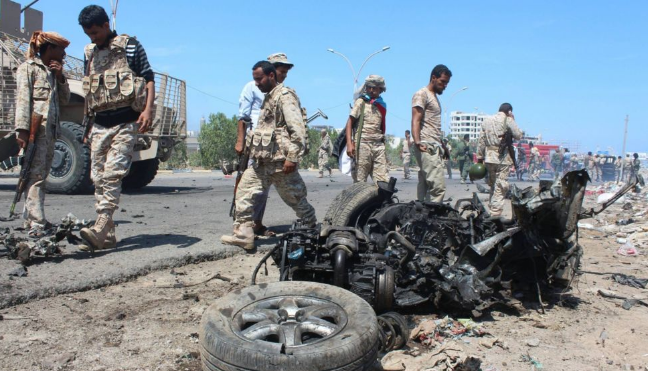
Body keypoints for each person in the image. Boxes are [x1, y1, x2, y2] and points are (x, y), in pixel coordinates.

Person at [77, 5, 155, 251]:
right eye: (88, 34)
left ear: (105, 25)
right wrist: (87, 124)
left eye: (95, 32)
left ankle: (100, 226)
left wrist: (147, 110)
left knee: (112, 174)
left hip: (125, 121)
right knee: (97, 178)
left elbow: (149, 77)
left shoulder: (130, 45)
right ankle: (108, 234)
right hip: (100, 122)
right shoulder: (89, 53)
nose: (93, 38)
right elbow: (91, 90)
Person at [221, 61, 316, 250]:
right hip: (262, 162)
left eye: (259, 79)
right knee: (243, 193)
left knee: (295, 199)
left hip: (281, 162)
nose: (256, 83)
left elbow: (297, 130)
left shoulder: (285, 97)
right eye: (254, 79)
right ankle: (244, 234)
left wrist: (292, 158)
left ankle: (314, 229)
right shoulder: (269, 97)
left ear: (271, 76)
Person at [14, 31, 70, 237]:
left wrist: (60, 77)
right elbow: (22, 101)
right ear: (50, 48)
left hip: (49, 132)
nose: (64, 54)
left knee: (41, 176)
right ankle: (37, 222)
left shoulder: (52, 72)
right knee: (35, 176)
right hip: (34, 133)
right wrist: (21, 130)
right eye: (61, 49)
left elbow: (64, 100)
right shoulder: (29, 69)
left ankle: (32, 218)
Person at [411, 64, 452, 202]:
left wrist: (443, 146)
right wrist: (417, 141)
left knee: (425, 185)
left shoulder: (433, 97)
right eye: (443, 82)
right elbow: (416, 119)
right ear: (433, 78)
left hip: (433, 144)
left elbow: (432, 124)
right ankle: (433, 219)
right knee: (437, 188)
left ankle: (421, 217)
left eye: (447, 83)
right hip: (426, 145)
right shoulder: (422, 94)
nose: (445, 85)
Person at [476, 103, 523, 217]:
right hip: (502, 159)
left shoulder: (486, 121)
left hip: (489, 157)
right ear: (509, 111)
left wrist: (480, 158)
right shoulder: (508, 120)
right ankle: (495, 214)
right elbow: (518, 135)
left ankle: (492, 208)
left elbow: (481, 141)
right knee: (500, 186)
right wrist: (513, 120)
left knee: (493, 184)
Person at [345, 75, 389, 183]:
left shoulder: (381, 105)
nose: (371, 90)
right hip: (362, 145)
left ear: (381, 89)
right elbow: (349, 123)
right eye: (369, 87)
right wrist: (350, 144)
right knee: (360, 182)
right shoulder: (361, 102)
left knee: (383, 182)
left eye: (374, 87)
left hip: (378, 146)